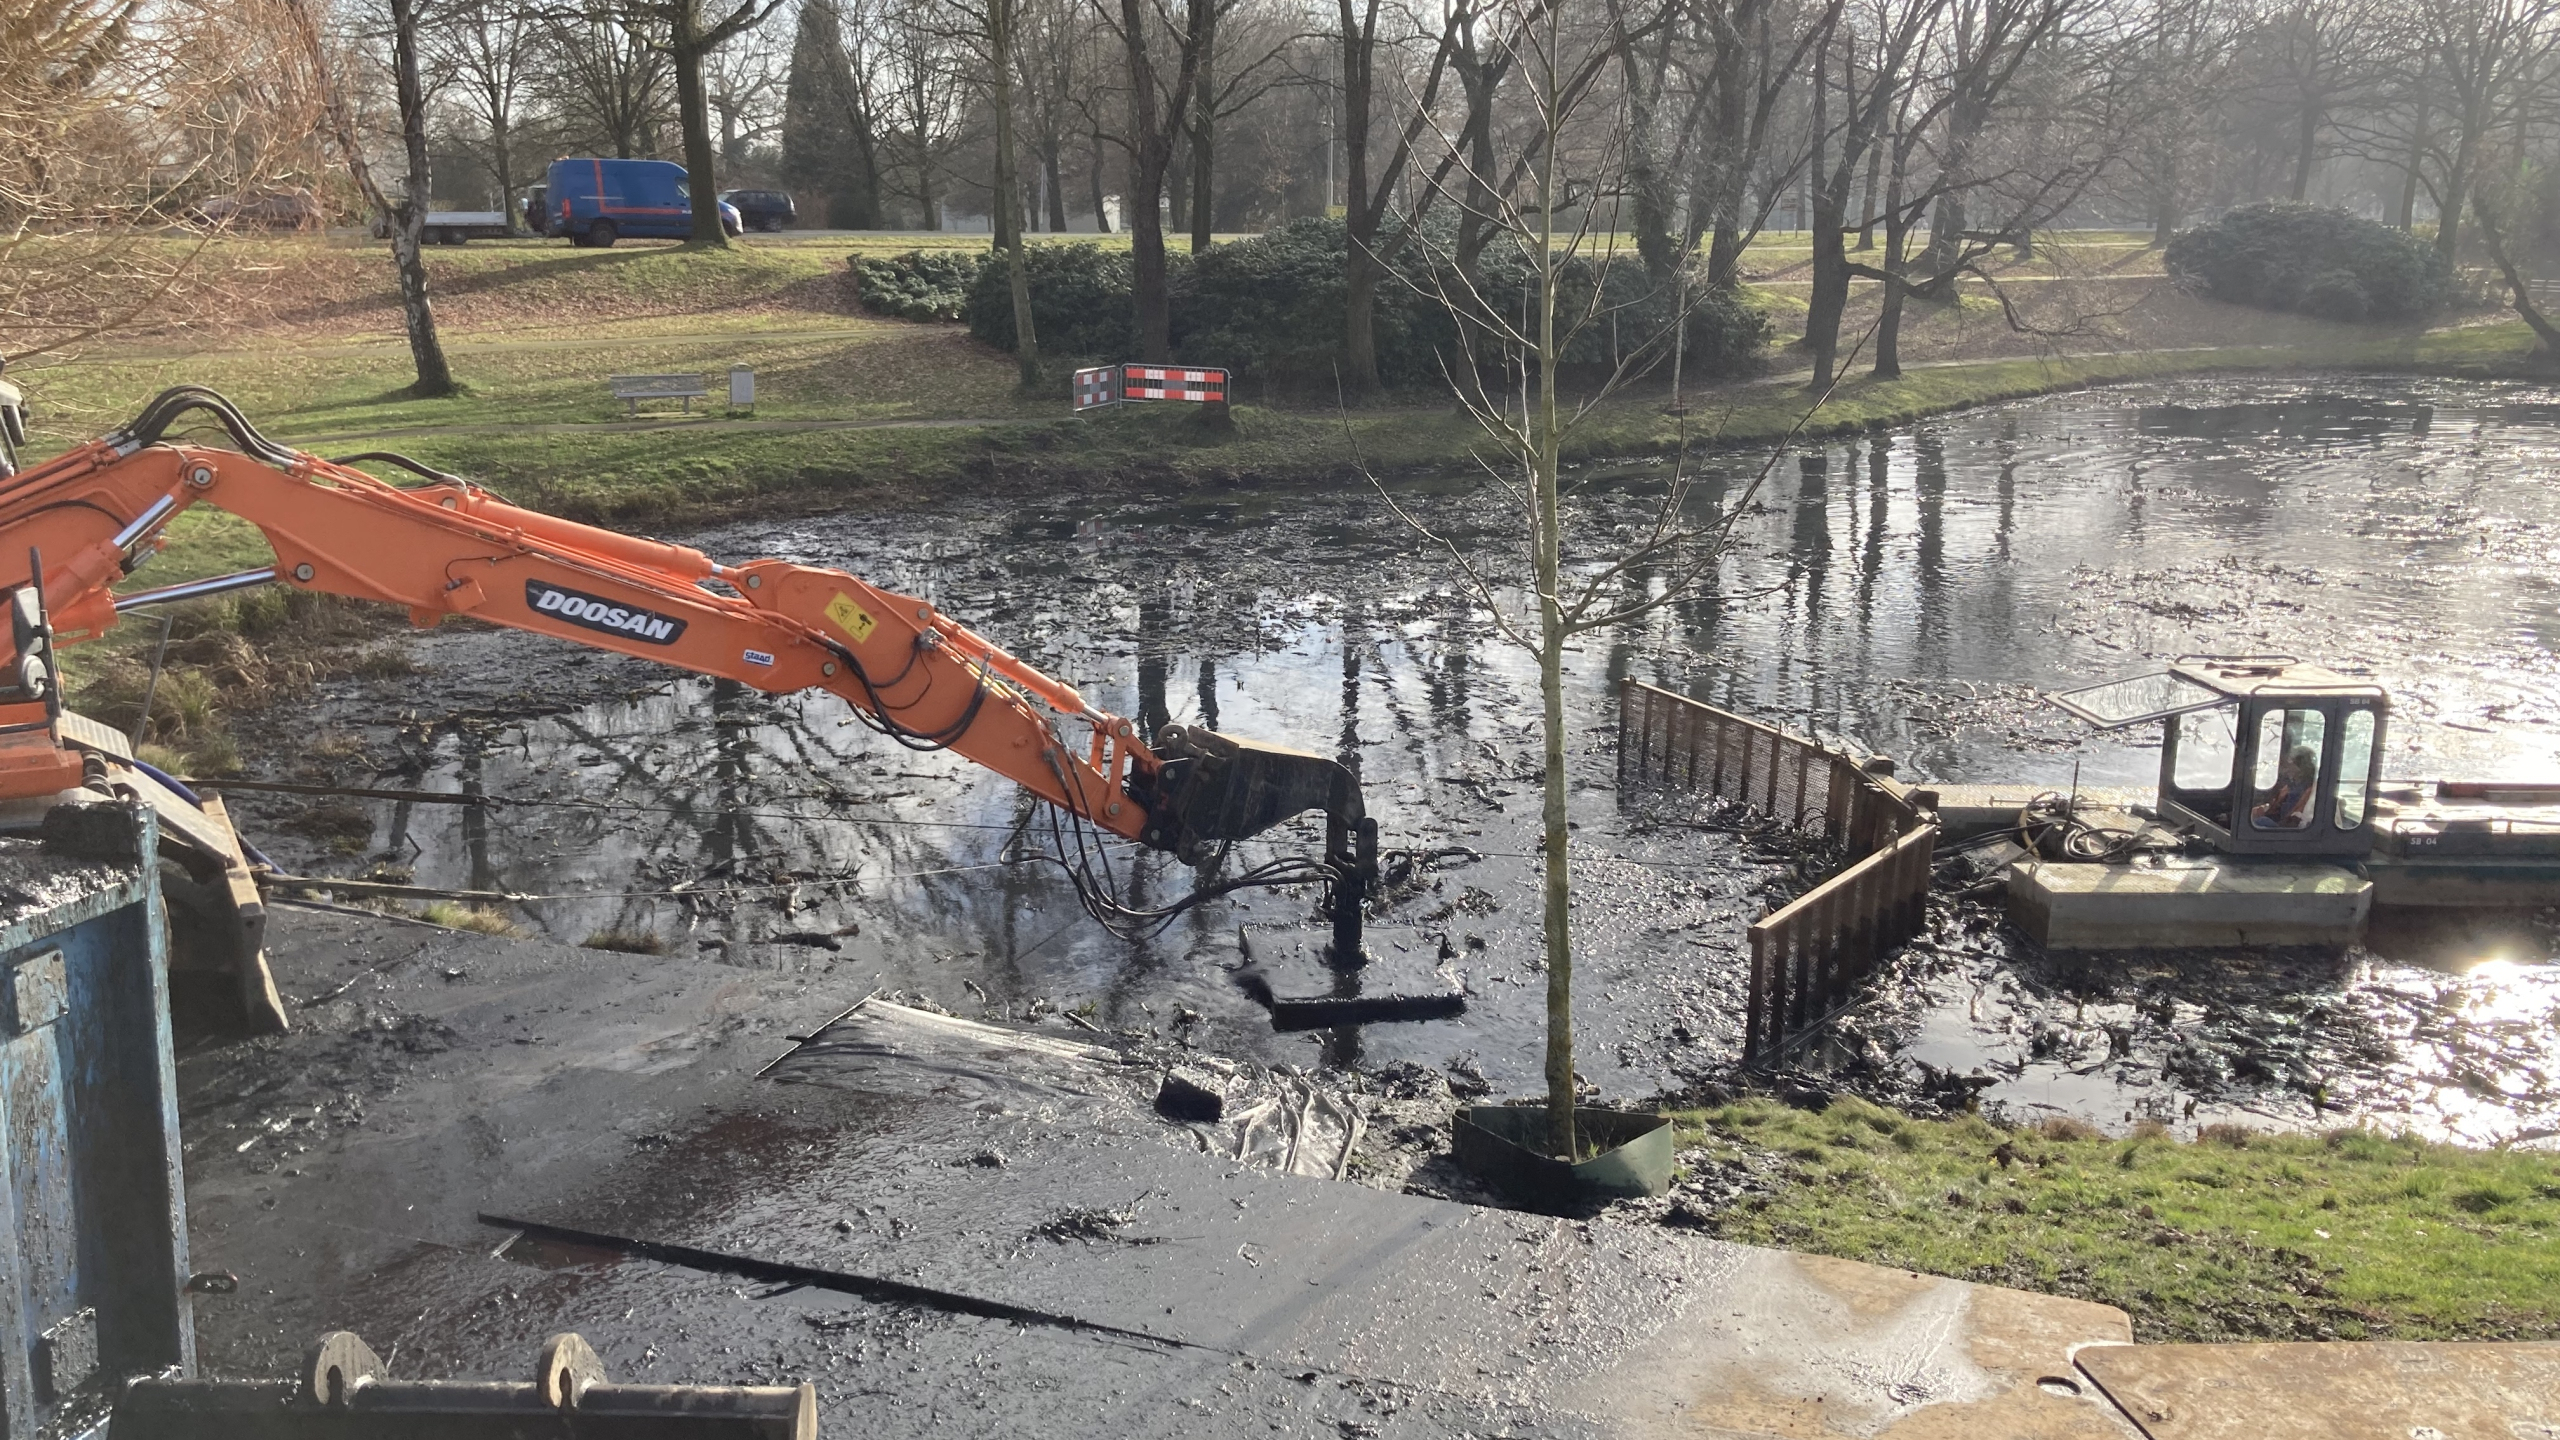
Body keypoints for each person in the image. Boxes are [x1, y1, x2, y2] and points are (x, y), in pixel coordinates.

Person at [2252, 745, 2319, 828]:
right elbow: (2273, 809)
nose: (2286, 768)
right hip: (2279, 824)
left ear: (2301, 768)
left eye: (2291, 764)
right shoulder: (2288, 787)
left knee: (2261, 822)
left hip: (2289, 831)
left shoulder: (2313, 792)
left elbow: (2298, 819)